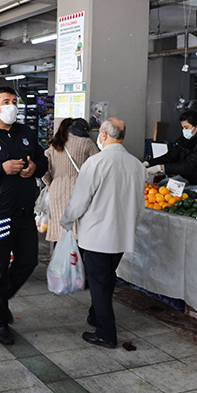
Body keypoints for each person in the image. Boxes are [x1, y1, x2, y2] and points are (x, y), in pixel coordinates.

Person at [0, 86, 49, 345]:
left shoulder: (25, 133)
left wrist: (36, 167)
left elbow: (43, 161)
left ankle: (0, 300)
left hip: (25, 212)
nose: (12, 106)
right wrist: (1, 168)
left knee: (28, 261)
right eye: (6, 101)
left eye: (14, 101)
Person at [60, 119, 144, 348]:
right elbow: (140, 204)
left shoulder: (95, 163)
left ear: (104, 135)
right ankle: (96, 315)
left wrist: (66, 221)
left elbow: (79, 201)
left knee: (99, 283)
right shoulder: (136, 164)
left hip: (97, 236)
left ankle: (106, 334)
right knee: (106, 279)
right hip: (122, 236)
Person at [42, 117, 99, 244]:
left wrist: (50, 183)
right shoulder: (86, 143)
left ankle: (60, 260)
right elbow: (99, 165)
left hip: (57, 190)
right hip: (81, 188)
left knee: (60, 227)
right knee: (79, 229)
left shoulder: (55, 144)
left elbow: (42, 167)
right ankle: (77, 261)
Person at [146, 110, 197, 185]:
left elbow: (189, 165)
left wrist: (161, 168)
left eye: (186, 127)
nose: (184, 130)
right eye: (183, 127)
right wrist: (149, 163)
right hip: (190, 180)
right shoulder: (185, 140)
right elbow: (170, 156)